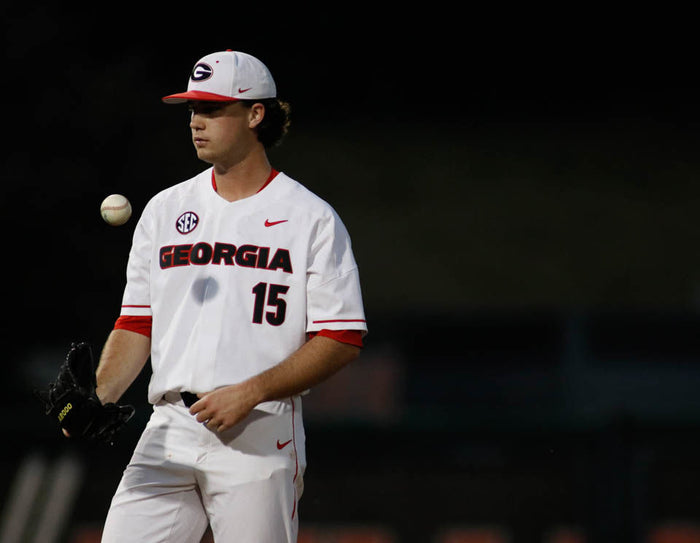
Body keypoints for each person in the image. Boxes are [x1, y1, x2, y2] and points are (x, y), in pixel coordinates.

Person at [96, 50, 367, 542]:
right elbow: (136, 323)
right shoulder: (166, 209)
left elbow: (341, 336)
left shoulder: (310, 217)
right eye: (193, 109)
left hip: (259, 430)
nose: (197, 122)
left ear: (256, 114)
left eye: (213, 109)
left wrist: (251, 391)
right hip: (169, 427)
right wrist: (99, 396)